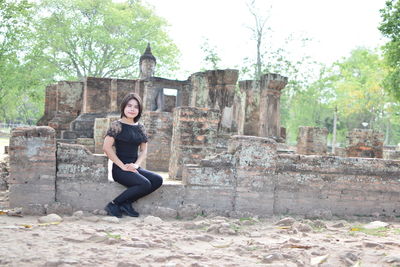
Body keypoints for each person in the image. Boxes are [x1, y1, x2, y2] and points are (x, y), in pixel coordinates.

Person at [103, 92, 163, 218]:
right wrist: (123, 166)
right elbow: (107, 148)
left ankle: (126, 203)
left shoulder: (140, 127)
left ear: (139, 110)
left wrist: (136, 165)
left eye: (136, 107)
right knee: (144, 184)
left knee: (157, 180)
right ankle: (114, 204)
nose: (132, 109)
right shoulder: (116, 125)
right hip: (120, 169)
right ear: (123, 107)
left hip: (134, 167)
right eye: (129, 105)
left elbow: (144, 150)